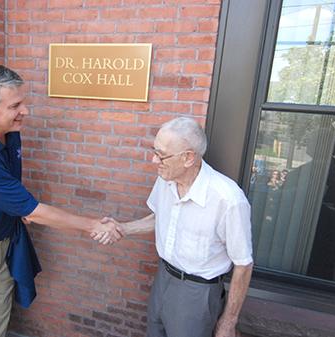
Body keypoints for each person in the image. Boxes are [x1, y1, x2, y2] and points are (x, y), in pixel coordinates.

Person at [0, 64, 121, 337]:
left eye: (24, 102)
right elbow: (33, 211)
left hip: (5, 243)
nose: (25, 111)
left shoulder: (9, 132)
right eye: (16, 105)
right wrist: (93, 225)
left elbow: (21, 205)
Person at [99, 117, 253, 337]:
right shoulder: (166, 178)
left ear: (188, 158)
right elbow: (159, 217)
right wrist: (122, 228)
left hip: (197, 294)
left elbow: (244, 264)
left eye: (161, 155)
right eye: (155, 151)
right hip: (163, 278)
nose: (154, 160)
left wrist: (228, 322)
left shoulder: (228, 199)